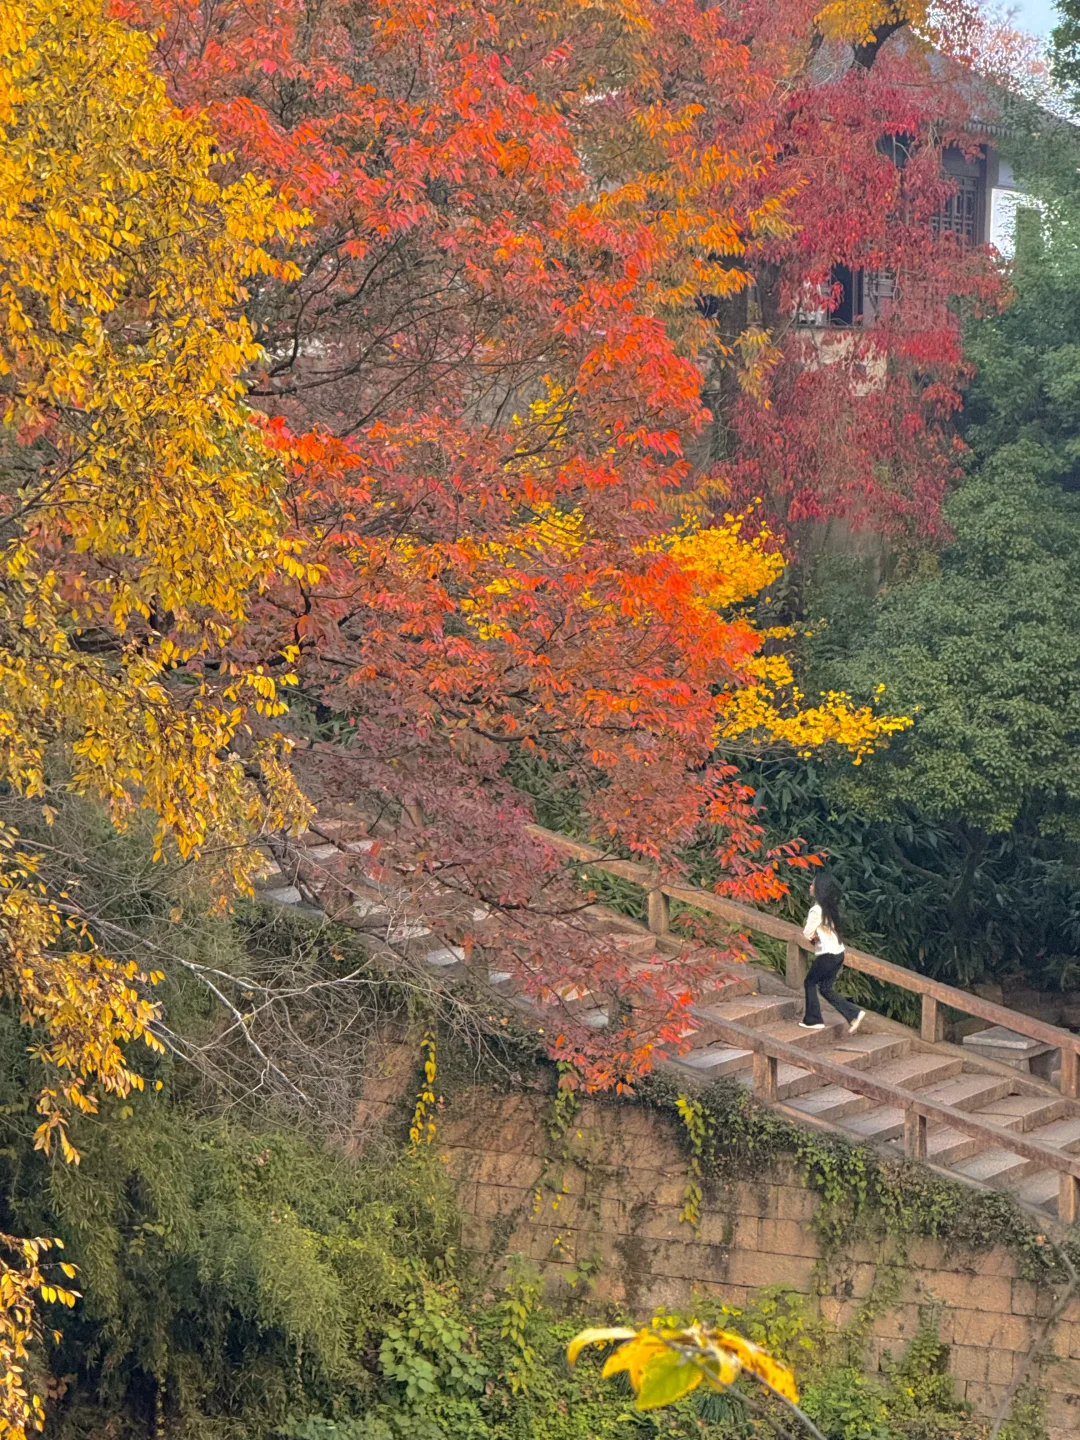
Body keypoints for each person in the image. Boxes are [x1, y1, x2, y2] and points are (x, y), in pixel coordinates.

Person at [799, 873, 866, 1034]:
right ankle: (853, 1014)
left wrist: (813, 937)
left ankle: (813, 1019)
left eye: (813, 884)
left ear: (819, 889)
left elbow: (807, 933)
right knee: (826, 988)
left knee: (810, 982)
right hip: (838, 953)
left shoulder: (816, 910)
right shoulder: (829, 908)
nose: (810, 886)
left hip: (827, 955)